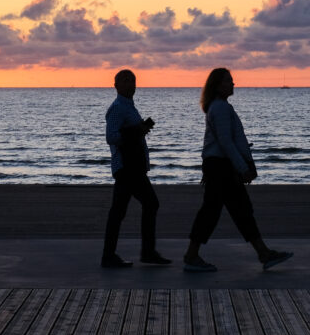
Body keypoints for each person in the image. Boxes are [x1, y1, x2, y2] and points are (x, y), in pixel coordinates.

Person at [183, 68, 292, 272]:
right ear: (218, 85)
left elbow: (230, 141)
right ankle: (192, 255)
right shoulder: (221, 108)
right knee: (219, 211)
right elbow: (226, 142)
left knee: (235, 209)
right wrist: (243, 167)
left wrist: (243, 161)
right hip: (220, 166)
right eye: (228, 81)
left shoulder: (220, 107)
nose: (233, 84)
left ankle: (263, 253)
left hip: (219, 165)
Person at [101, 69, 171, 268]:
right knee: (149, 204)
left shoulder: (129, 107)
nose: (131, 84)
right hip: (127, 167)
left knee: (120, 211)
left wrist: (139, 130)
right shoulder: (117, 108)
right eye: (125, 80)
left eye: (133, 80)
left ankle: (112, 255)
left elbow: (127, 134)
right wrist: (136, 131)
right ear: (116, 85)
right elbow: (111, 137)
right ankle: (145, 252)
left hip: (132, 167)